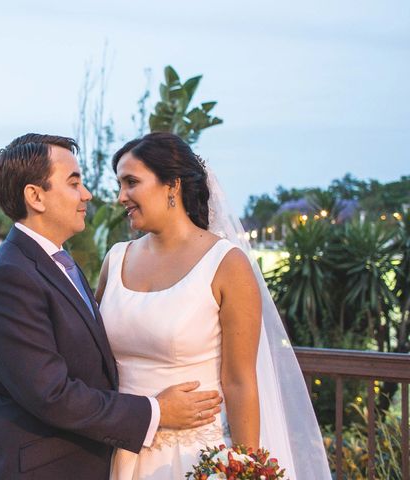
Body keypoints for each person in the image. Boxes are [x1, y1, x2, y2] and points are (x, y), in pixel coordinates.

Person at [0, 133, 223, 480]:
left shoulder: (57, 262)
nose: (87, 194)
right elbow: (51, 394)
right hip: (36, 469)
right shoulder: (8, 277)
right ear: (35, 196)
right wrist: (156, 411)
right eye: (74, 183)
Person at [97, 132, 331, 480]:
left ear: (171, 184)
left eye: (131, 182)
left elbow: (239, 382)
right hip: (118, 450)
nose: (121, 197)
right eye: (119, 184)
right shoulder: (116, 259)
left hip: (193, 459)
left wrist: (246, 468)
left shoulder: (226, 263)